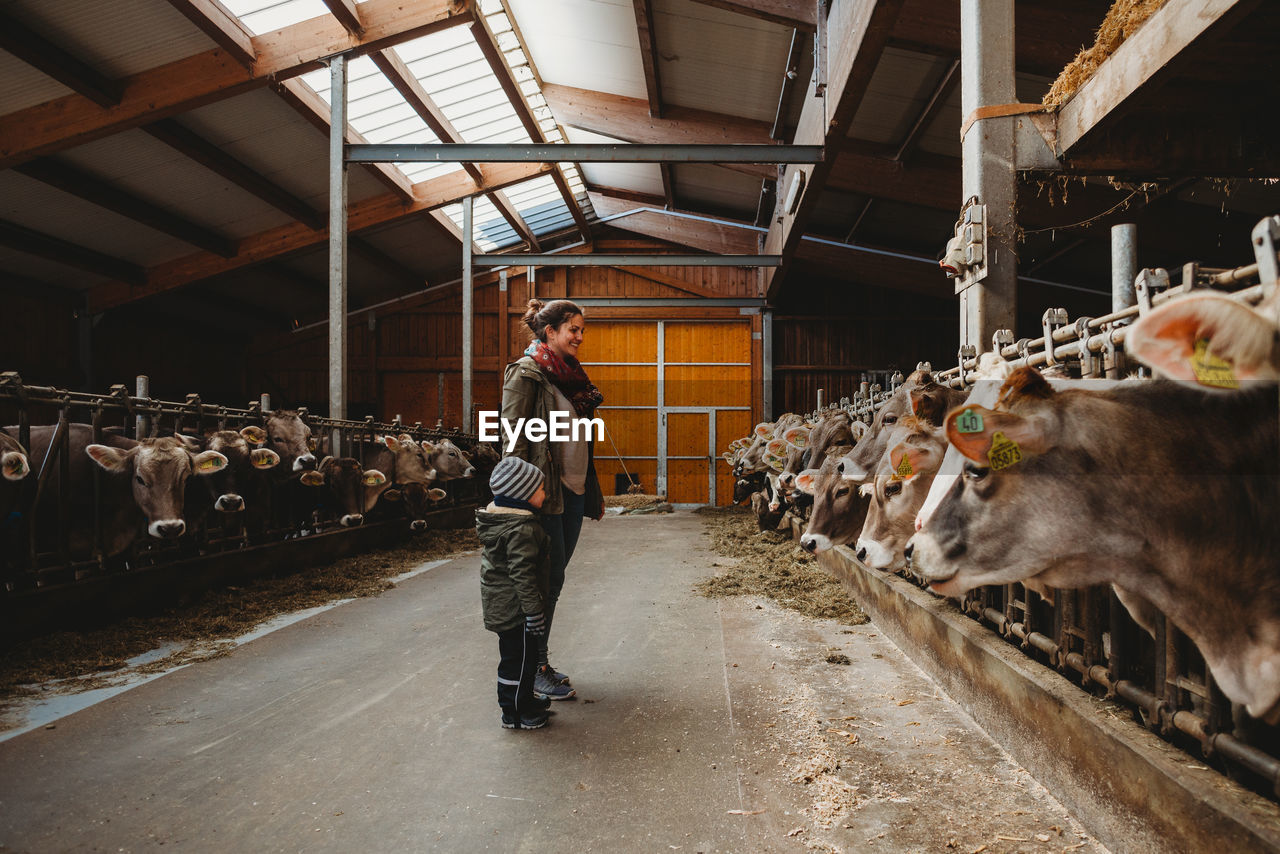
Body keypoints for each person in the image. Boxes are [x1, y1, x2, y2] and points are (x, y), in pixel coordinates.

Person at [500, 298, 605, 701]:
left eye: (581, 330)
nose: (580, 337)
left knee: (554, 580)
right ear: (551, 332)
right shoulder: (526, 374)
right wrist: (524, 496)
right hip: (545, 495)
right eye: (573, 330)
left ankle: (538, 661)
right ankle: (534, 668)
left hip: (575, 491)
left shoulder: (571, 378)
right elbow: (511, 438)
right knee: (543, 582)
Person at [476, 455, 553, 730]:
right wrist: (533, 611)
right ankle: (514, 713)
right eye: (540, 490)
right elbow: (522, 575)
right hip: (516, 610)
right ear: (523, 497)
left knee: (526, 658)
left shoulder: (511, 523)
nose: (545, 493)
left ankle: (525, 700)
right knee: (516, 661)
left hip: (510, 604)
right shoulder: (521, 529)